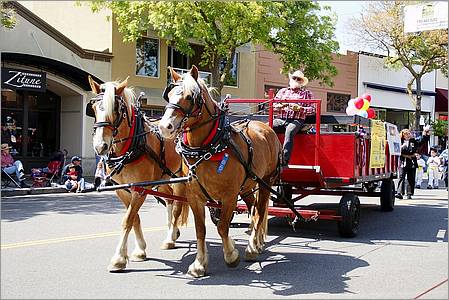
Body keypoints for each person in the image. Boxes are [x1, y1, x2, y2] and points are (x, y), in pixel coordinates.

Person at [273, 70, 315, 167]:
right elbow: (273, 106)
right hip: (281, 119)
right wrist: (280, 106)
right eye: (294, 78)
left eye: (298, 79)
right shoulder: (282, 91)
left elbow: (313, 109)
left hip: (297, 120)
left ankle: (284, 160)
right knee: (266, 128)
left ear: (301, 82)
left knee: (289, 131)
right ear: (291, 79)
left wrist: (300, 108)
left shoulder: (307, 93)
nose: (296, 80)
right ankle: (268, 155)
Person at [395, 128, 430, 199]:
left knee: (411, 178)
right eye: (406, 134)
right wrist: (405, 154)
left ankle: (409, 193)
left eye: (409, 134)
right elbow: (396, 151)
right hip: (403, 161)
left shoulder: (413, 141)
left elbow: (422, 141)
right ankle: (399, 192)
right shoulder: (399, 141)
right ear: (402, 135)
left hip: (412, 162)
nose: (408, 135)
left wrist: (425, 133)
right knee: (401, 177)